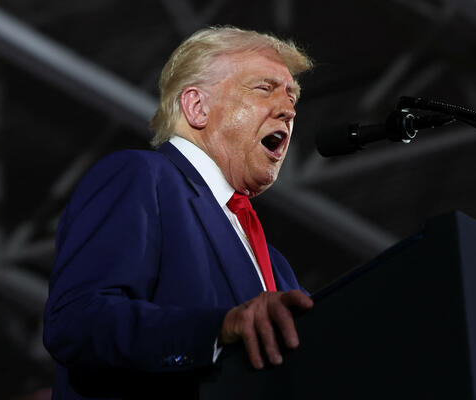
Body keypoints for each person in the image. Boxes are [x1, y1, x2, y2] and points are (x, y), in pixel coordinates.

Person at [43, 26, 314, 399]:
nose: (288, 110)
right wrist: (217, 330)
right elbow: (77, 321)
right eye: (265, 88)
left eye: (291, 95)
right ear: (197, 107)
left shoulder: (278, 268)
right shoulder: (143, 177)